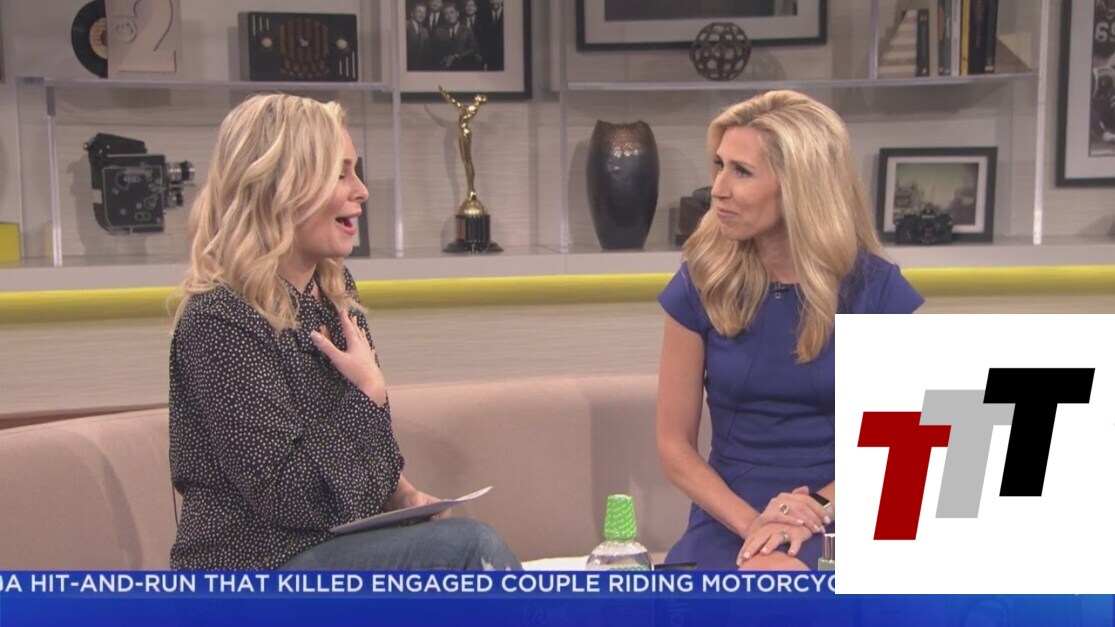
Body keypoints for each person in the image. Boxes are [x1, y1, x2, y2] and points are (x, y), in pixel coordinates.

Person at [167, 93, 521, 571]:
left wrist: (401, 496)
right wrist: (367, 393)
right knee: (468, 550)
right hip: (254, 568)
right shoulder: (220, 319)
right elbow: (289, 496)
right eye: (339, 174)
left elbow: (368, 447)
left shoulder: (334, 291)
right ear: (279, 187)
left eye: (356, 171)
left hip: (334, 547)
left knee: (462, 548)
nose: (362, 191)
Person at [655, 89, 924, 571]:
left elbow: (903, 450)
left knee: (784, 580)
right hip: (730, 515)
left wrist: (813, 511)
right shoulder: (702, 281)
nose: (718, 189)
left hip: (840, 510)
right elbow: (674, 448)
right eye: (719, 165)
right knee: (762, 579)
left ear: (800, 186)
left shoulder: (877, 291)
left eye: (742, 172)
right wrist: (756, 525)